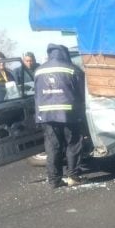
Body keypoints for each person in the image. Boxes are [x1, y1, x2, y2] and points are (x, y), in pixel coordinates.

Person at [34, 44, 86, 188]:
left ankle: (54, 180)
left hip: (47, 116)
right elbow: (82, 93)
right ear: (65, 54)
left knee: (52, 148)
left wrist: (38, 116)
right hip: (69, 114)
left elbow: (37, 95)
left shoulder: (38, 71)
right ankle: (73, 176)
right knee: (73, 144)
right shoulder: (72, 69)